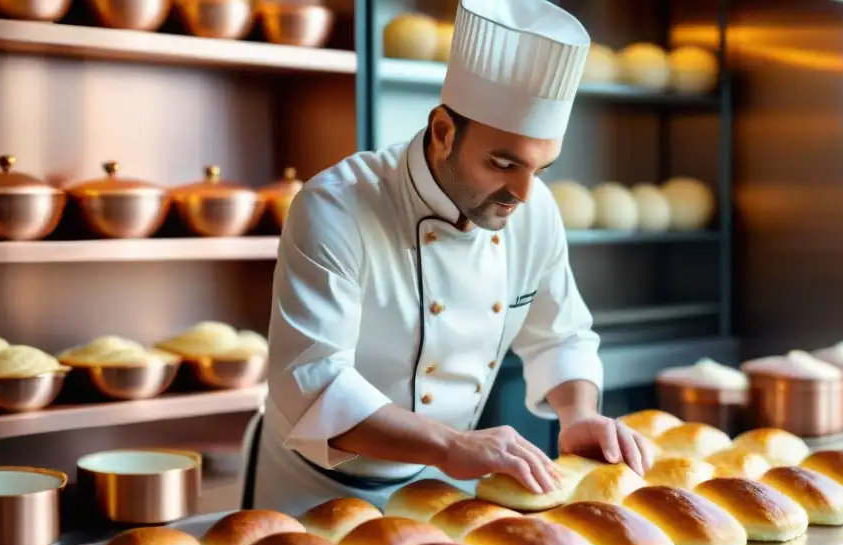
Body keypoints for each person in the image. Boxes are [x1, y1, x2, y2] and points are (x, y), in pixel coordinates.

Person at [251, 0, 654, 513]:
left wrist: (578, 416)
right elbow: (312, 384)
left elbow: (560, 334)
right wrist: (451, 445)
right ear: (443, 132)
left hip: (440, 488)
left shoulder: (534, 209)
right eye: (503, 163)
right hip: (315, 491)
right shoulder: (337, 206)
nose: (523, 194)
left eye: (541, 168)